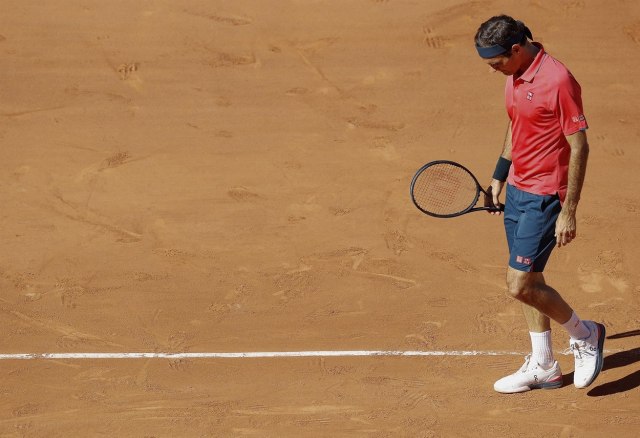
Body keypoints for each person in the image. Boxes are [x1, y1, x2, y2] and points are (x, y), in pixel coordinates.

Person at [474, 15, 605, 393]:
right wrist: (499, 175)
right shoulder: (515, 74)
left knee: (518, 285)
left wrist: (569, 210)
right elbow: (517, 123)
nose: (493, 69)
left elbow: (579, 146)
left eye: (496, 62)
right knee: (530, 278)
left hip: (545, 196)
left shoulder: (558, 81)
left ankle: (586, 334)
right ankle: (545, 365)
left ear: (516, 49)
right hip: (517, 190)